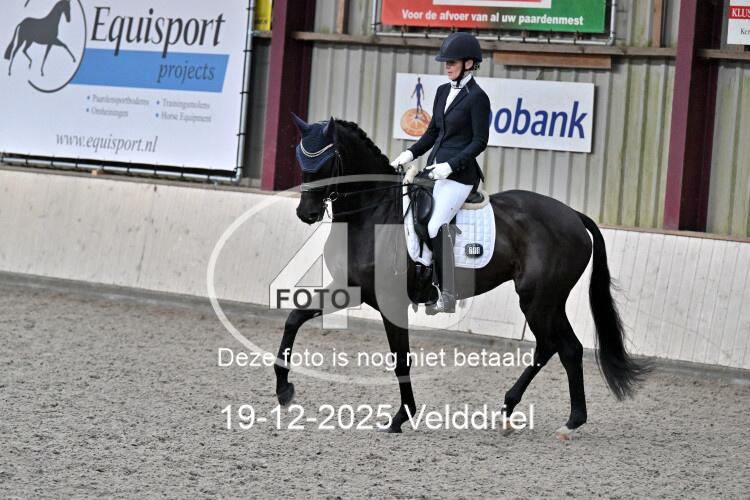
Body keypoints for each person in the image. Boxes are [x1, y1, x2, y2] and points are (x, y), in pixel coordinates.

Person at [390, 32, 491, 314]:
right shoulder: (443, 91)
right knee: (408, 211)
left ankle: (447, 292)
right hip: (434, 170)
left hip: (459, 176)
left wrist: (451, 166)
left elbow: (479, 141)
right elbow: (433, 133)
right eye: (446, 62)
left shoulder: (478, 98)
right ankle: (420, 276)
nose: (447, 67)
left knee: (435, 226)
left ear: (469, 64)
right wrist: (410, 153)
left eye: (452, 62)